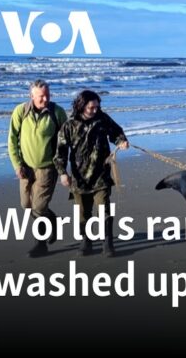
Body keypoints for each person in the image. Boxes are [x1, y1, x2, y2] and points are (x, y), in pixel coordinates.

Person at [54, 90, 129, 257]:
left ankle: (107, 242)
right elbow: (60, 151)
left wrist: (121, 141)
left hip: (101, 174)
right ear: (81, 106)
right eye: (91, 107)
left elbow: (116, 132)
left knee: (104, 209)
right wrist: (62, 173)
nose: (95, 110)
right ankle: (86, 241)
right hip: (79, 177)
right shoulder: (69, 125)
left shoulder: (102, 119)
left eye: (97, 106)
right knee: (83, 212)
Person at [8, 79, 68, 258]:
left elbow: (65, 142)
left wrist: (63, 169)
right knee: (26, 205)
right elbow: (12, 140)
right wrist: (17, 165)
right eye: (41, 96)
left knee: (39, 208)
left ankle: (40, 245)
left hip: (47, 168)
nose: (45, 99)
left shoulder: (57, 112)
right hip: (25, 168)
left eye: (47, 95)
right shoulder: (21, 111)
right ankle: (53, 221)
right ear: (31, 96)